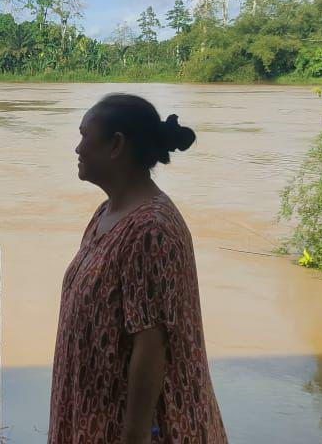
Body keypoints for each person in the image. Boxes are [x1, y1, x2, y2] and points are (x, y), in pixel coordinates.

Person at [49, 93, 228, 443]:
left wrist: (135, 434)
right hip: (94, 415)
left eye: (85, 136)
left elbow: (152, 345)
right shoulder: (106, 213)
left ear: (116, 145)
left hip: (139, 428)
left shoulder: (151, 229)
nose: (77, 148)